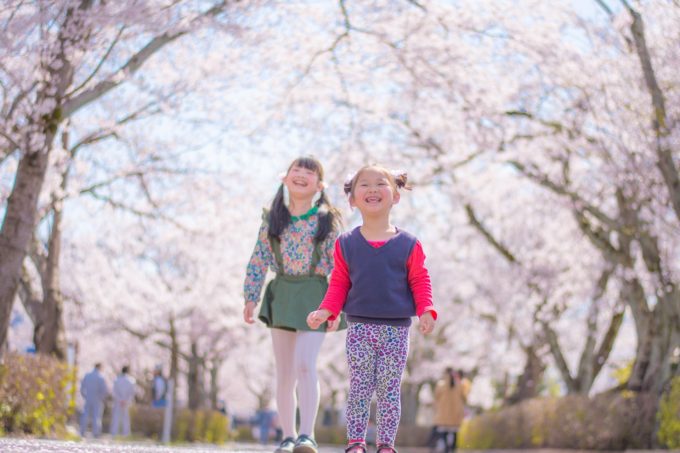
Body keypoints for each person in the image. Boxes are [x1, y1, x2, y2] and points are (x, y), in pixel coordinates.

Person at [307, 164, 437, 453]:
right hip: (359, 327)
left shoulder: (408, 244)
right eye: (364, 184)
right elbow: (338, 283)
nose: (373, 189)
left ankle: (386, 445)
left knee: (390, 389)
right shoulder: (347, 243)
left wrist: (426, 309)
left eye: (381, 183)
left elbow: (419, 279)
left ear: (396, 196)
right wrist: (326, 311)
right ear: (352, 199)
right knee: (360, 386)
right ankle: (355, 442)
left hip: (396, 328)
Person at [243, 156, 344, 453]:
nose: (301, 175)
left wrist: (335, 305)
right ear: (285, 178)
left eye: (309, 172)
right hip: (283, 293)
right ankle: (287, 437)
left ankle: (306, 435)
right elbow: (259, 258)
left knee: (304, 364)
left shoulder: (326, 219)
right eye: (296, 170)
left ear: (320, 185)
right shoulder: (272, 218)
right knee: (285, 370)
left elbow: (340, 265)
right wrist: (251, 296)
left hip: (316, 294)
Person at [430, 368, 470, 453]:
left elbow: (436, 398)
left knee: (443, 434)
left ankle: (446, 449)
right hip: (455, 415)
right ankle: (452, 449)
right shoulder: (460, 385)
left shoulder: (440, 385)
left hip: (443, 415)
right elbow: (465, 398)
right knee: (454, 434)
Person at [79, 363, 109, 438]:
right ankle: (96, 432)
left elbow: (82, 387)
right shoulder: (100, 377)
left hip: (88, 397)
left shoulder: (87, 375)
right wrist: (101, 398)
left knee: (85, 414)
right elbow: (104, 390)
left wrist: (84, 395)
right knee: (96, 416)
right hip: (97, 399)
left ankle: (82, 431)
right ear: (100, 367)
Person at [110, 365, 136, 437]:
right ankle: (126, 433)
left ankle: (114, 433)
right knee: (126, 418)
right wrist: (126, 400)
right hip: (126, 402)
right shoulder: (131, 380)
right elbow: (132, 393)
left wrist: (120, 399)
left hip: (118, 401)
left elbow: (114, 392)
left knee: (116, 417)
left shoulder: (116, 380)